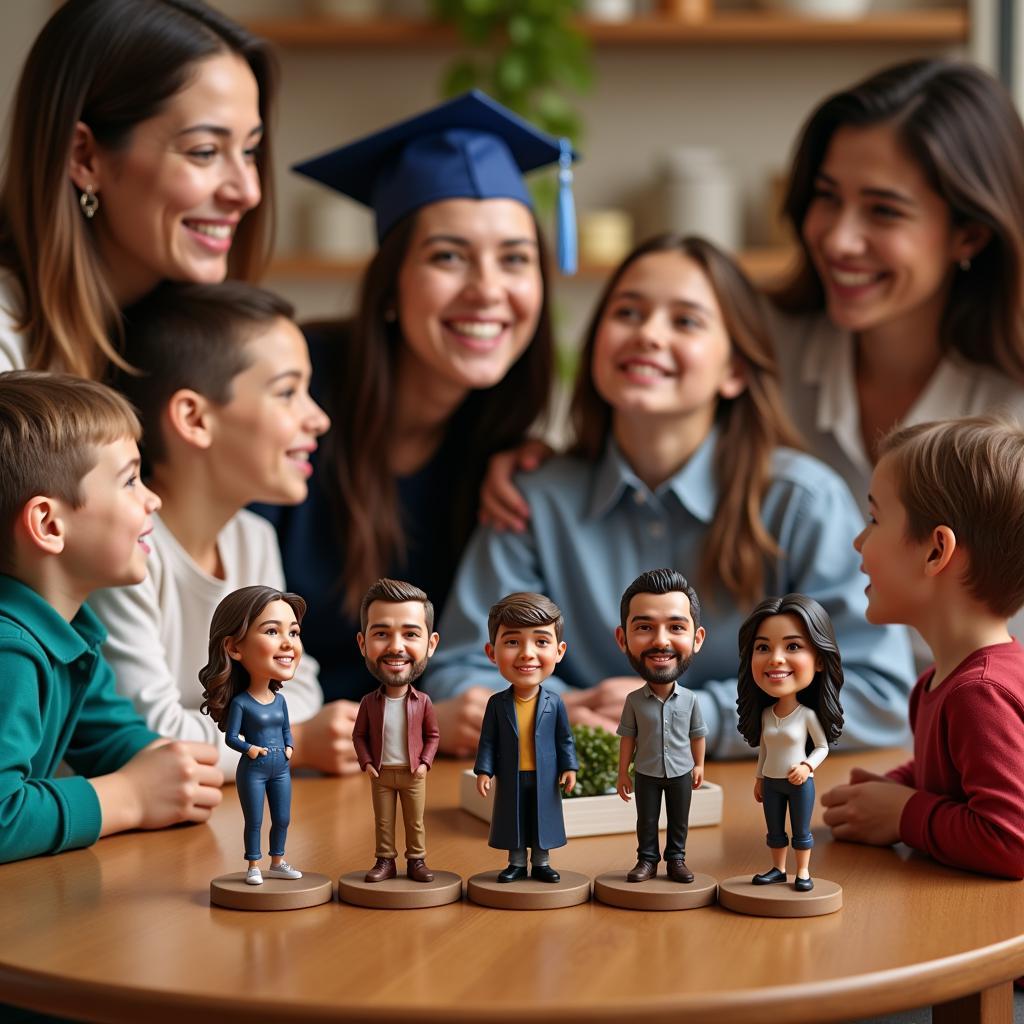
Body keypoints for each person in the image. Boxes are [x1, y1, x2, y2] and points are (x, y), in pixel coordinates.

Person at [426, 234, 914, 758]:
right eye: (628, 313)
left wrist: (687, 717)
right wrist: (562, 713)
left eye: (685, 321)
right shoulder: (530, 500)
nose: (648, 335)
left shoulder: (803, 504)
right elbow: (458, 669)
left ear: (735, 370)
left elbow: (877, 695)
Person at [254, 91, 568, 744]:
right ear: (391, 287)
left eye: (515, 258)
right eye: (448, 256)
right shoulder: (285, 393)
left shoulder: (498, 447)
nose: (488, 289)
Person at [88, 282, 362, 777]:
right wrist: (295, 741)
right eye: (287, 392)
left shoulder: (251, 538)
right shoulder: (124, 552)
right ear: (194, 418)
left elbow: (298, 684)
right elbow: (154, 737)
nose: (318, 418)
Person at [0, 371, 222, 864]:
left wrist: (166, 764)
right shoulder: (8, 650)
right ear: (49, 524)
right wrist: (129, 798)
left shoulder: (69, 631)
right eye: (129, 480)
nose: (153, 499)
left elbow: (108, 735)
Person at [0, 0, 273, 378]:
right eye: (205, 152)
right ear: (84, 158)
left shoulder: (169, 341)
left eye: (249, 151)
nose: (248, 192)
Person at [821, 418, 1024, 880]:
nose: (859, 541)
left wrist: (904, 814)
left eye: (874, 519)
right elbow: (958, 774)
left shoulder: (980, 694)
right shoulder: (948, 681)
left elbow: (1012, 841)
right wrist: (894, 789)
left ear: (935, 552)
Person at [736, 594, 844, 892]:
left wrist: (807, 766)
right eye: (763, 648)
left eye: (793, 646)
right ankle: (777, 868)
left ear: (819, 659)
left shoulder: (807, 715)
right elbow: (765, 749)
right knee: (774, 830)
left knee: (800, 830)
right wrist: (759, 778)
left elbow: (821, 746)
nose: (776, 658)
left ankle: (804, 872)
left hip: (799, 782)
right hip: (771, 781)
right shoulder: (767, 715)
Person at [200, 585, 305, 886]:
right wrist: (250, 750)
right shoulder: (241, 703)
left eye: (294, 632)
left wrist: (289, 745)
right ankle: (253, 865)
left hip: (281, 768)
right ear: (234, 647)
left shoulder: (281, 701)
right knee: (255, 820)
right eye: (272, 631)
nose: (288, 643)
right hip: (254, 770)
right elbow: (231, 738)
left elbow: (286, 728)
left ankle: (279, 860)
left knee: (283, 818)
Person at [473, 592, 578, 883]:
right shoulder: (497, 703)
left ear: (559, 651)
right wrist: (483, 770)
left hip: (545, 774)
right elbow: (488, 741)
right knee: (514, 819)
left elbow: (564, 739)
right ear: (491, 652)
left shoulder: (555, 702)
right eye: (512, 642)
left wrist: (569, 767)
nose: (527, 653)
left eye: (541, 641)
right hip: (511, 774)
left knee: (541, 818)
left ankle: (542, 862)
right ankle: (516, 862)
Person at [615, 569, 708, 884]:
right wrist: (622, 772)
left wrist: (699, 766)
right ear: (622, 638)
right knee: (647, 819)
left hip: (681, 770)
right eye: (644, 627)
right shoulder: (633, 701)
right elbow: (628, 737)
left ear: (697, 639)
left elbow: (698, 734)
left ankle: (677, 859)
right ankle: (646, 860)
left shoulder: (692, 700)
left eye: (676, 627)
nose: (661, 641)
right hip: (646, 772)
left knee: (679, 819)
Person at [353, 578, 441, 884]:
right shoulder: (368, 702)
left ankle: (416, 860)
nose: (396, 647)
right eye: (381, 634)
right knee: (383, 820)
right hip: (381, 772)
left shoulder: (424, 701)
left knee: (415, 821)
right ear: (363, 643)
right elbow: (359, 735)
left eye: (411, 634)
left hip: (413, 771)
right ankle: (385, 861)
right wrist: (366, 762)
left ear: (431, 644)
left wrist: (425, 763)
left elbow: (433, 735)